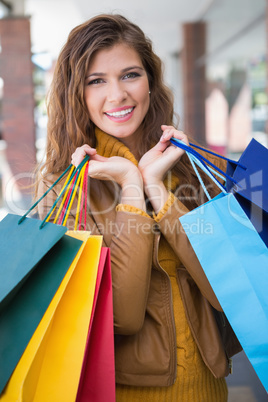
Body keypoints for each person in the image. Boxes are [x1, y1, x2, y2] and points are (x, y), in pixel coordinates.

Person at [36, 14, 241, 402]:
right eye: (96, 81)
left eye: (130, 75)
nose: (117, 96)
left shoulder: (193, 169)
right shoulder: (66, 191)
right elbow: (121, 318)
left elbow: (228, 290)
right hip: (125, 393)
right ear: (75, 94)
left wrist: (157, 190)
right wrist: (131, 187)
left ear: (150, 81)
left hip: (210, 389)